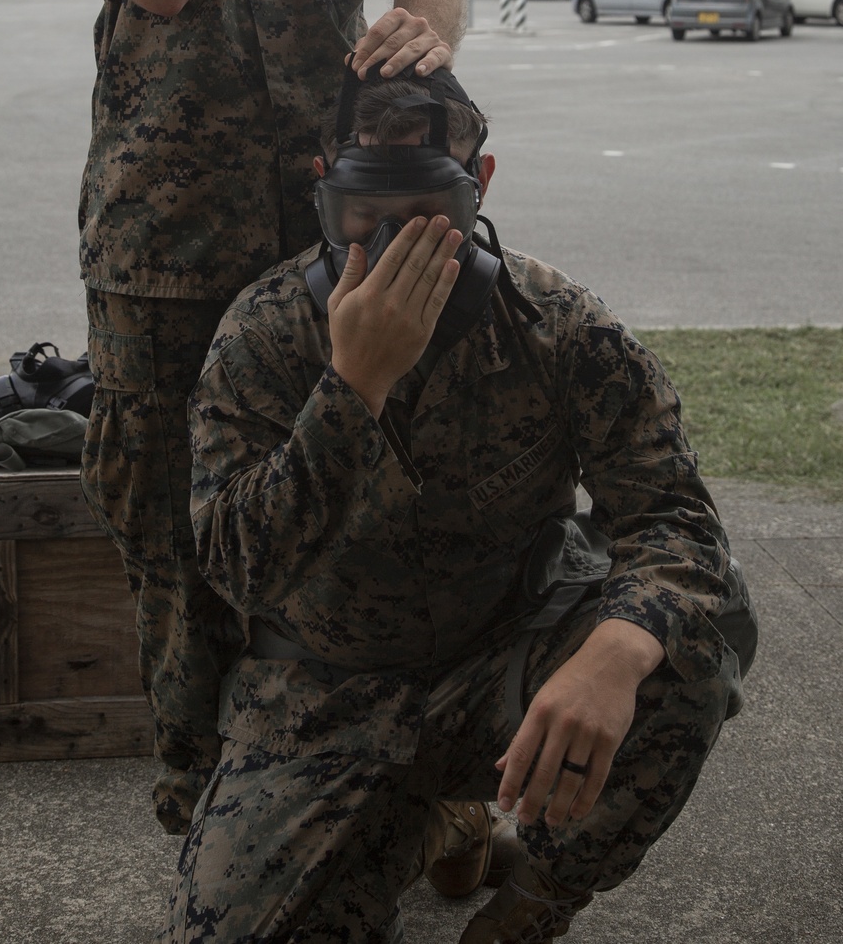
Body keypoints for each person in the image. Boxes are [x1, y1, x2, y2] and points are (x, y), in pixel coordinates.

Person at [35, 0, 466, 834]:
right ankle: (210, 825)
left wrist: (426, 23)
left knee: (365, 509)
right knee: (182, 551)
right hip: (166, 247)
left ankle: (379, 798)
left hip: (337, 229)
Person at [171, 63, 755, 943]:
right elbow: (233, 562)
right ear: (323, 188)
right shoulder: (265, 331)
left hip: (502, 666)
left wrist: (615, 653)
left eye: (425, 215)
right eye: (365, 216)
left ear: (478, 185)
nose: (395, 247)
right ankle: (427, 820)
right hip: (324, 691)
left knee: (686, 648)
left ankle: (532, 903)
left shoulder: (557, 325)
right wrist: (350, 389)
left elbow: (675, 518)